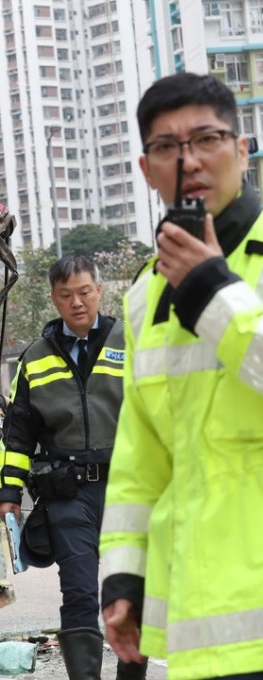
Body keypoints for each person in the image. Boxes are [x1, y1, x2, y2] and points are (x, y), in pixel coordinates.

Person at [100, 72, 263, 679]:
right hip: (204, 630)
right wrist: (123, 576)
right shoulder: (145, 294)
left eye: (207, 138)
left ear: (242, 149)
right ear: (147, 168)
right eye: (167, 147)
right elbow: (141, 454)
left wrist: (214, 292)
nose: (189, 160)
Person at [0, 254, 146, 680]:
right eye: (66, 295)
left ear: (99, 290)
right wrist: (8, 493)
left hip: (128, 491)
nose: (76, 302)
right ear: (54, 300)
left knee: (132, 595)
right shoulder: (36, 358)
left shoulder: (132, 341)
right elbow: (19, 433)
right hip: (68, 493)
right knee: (78, 593)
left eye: (84, 292)